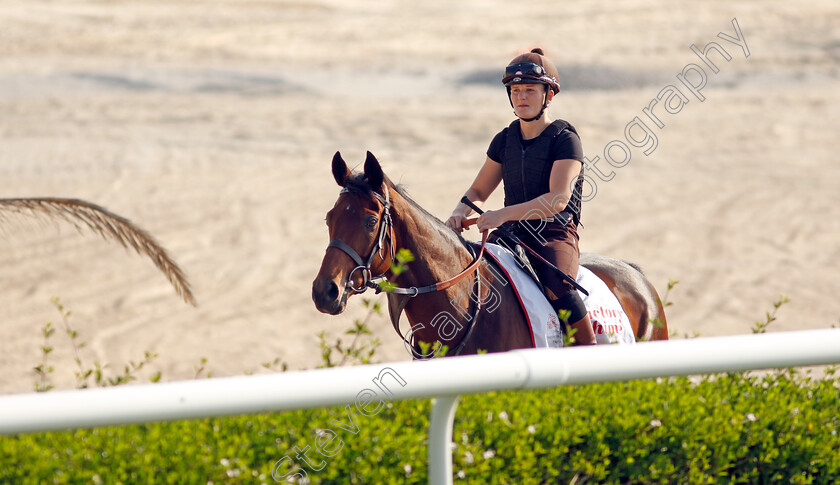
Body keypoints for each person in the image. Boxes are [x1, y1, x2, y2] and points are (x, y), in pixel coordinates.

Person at [444, 48, 597, 346]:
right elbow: (477, 191)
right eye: (515, 90)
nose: (521, 97)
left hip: (552, 234)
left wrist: (501, 215)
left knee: (559, 286)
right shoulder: (504, 139)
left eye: (529, 89)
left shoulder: (566, 139)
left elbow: (557, 200)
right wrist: (459, 212)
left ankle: (588, 352)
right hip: (511, 235)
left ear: (548, 96)